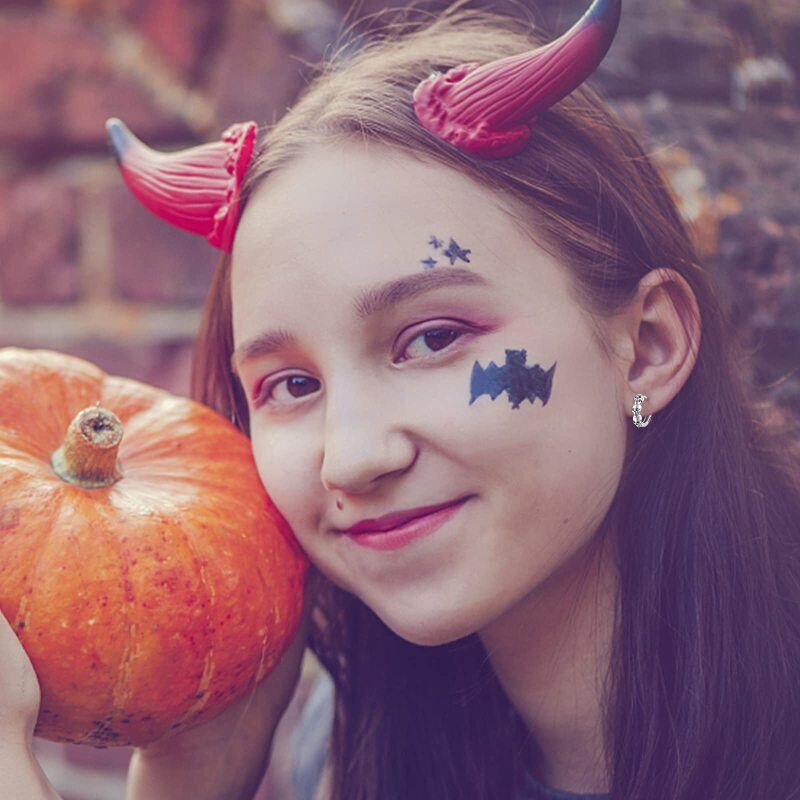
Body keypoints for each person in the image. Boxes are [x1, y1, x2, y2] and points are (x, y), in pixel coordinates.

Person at [2, 1, 799, 798]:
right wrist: (192, 773)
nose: (352, 458)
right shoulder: (350, 749)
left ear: (648, 346)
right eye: (293, 385)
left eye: (433, 338)